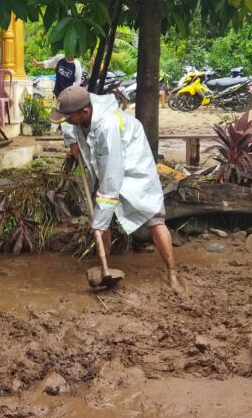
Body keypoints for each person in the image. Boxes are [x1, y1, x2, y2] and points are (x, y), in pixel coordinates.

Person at [53, 86, 183, 293]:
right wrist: (72, 142)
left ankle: (172, 273)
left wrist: (100, 219)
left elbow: (111, 178)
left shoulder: (108, 127)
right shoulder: (82, 104)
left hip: (133, 164)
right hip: (105, 162)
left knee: (153, 217)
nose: (67, 121)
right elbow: (68, 121)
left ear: (85, 113)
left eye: (70, 118)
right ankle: (104, 266)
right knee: (100, 217)